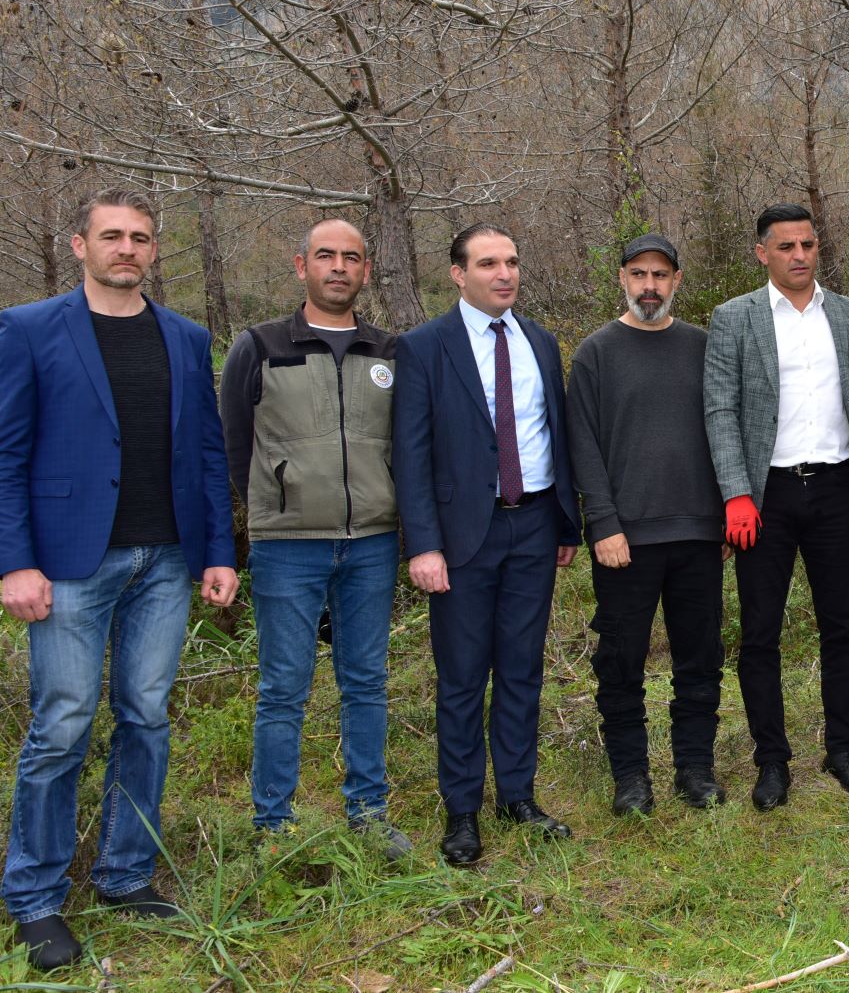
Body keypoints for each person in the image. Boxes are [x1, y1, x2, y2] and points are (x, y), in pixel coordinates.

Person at [0, 189, 237, 971]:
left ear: (154, 249)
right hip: (69, 562)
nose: (126, 248)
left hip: (165, 559)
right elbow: (6, 453)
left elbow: (207, 452)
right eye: (111, 235)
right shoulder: (29, 329)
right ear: (80, 245)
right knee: (63, 724)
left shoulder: (186, 337)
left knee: (146, 716)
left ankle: (125, 873)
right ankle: (35, 898)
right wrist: (14, 561)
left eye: (139, 236)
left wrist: (217, 551)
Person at [219, 219, 411, 860]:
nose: (338, 267)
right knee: (283, 688)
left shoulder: (388, 351)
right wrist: (271, 505)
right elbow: (233, 444)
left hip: (373, 542)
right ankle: (273, 824)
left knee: (366, 681)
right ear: (301, 265)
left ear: (366, 270)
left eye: (351, 257)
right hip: (288, 545)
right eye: (325, 256)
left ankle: (369, 814)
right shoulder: (260, 346)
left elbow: (408, 442)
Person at [392, 222, 580, 866]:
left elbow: (554, 434)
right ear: (458, 273)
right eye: (489, 264)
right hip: (462, 536)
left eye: (512, 262)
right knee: (463, 676)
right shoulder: (425, 346)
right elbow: (410, 454)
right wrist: (423, 545)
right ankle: (463, 810)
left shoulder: (540, 341)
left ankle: (518, 796)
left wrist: (565, 523)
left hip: (534, 525)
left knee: (523, 669)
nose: (505, 274)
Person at [704, 205, 849, 811]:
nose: (800, 255)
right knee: (760, 633)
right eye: (786, 246)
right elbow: (720, 409)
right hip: (766, 496)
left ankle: (843, 750)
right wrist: (736, 493)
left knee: (843, 628)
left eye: (808, 244)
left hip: (835, 488)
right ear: (763, 253)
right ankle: (772, 760)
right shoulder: (734, 318)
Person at [569, 234, 727, 815]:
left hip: (699, 534)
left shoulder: (703, 347)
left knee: (700, 659)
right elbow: (582, 445)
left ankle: (695, 768)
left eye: (661, 275)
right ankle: (631, 777)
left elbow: (725, 429)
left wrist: (725, 512)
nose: (650, 286)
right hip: (625, 540)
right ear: (623, 279)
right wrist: (602, 523)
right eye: (639, 274)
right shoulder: (596, 353)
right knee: (620, 663)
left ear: (677, 281)